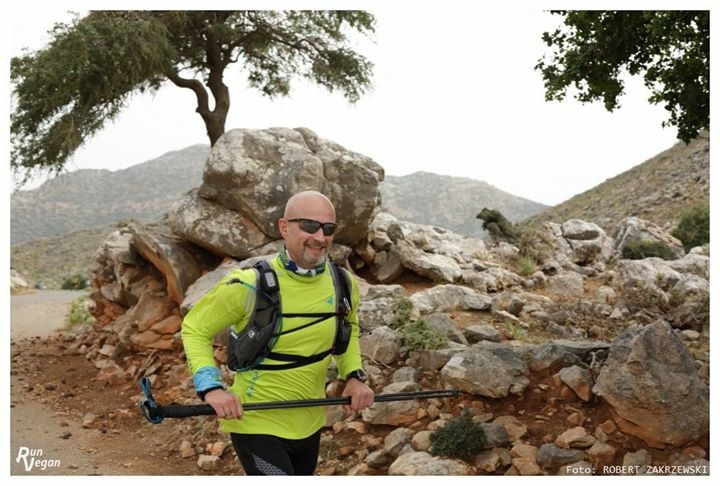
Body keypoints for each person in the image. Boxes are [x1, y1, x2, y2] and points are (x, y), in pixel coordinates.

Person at [181, 190, 374, 475]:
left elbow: (349, 327)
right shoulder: (249, 285)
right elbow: (195, 328)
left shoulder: (343, 283)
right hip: (256, 424)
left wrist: (354, 376)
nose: (320, 237)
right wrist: (211, 388)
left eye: (328, 228)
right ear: (284, 227)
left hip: (310, 422)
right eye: (309, 225)